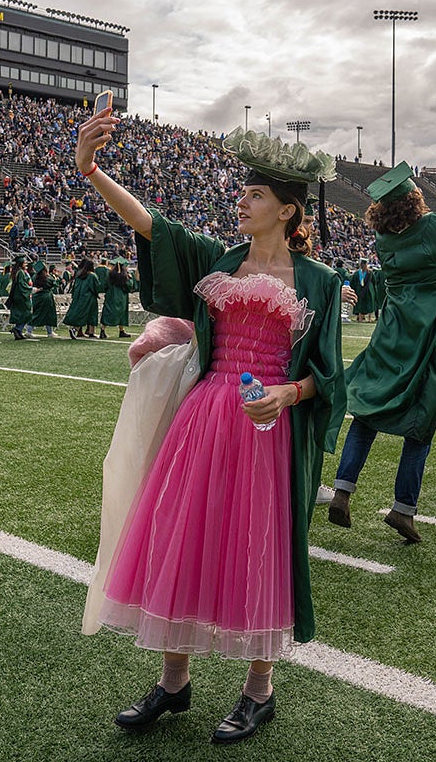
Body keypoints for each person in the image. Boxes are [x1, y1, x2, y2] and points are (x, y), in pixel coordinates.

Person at [76, 115, 346, 744]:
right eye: (243, 193)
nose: (240, 201)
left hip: (268, 427)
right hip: (204, 417)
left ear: (287, 211)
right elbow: (151, 224)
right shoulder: (217, 260)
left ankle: (259, 693)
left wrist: (290, 391)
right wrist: (91, 170)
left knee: (261, 545)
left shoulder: (320, 283)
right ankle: (174, 684)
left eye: (254, 196)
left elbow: (332, 377)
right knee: (184, 533)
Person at [328, 161, 436, 542]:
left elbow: (426, 232)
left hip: (391, 334)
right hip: (430, 337)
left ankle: (343, 490)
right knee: (420, 423)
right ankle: (403, 510)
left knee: (368, 413)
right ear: (414, 202)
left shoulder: (386, 240)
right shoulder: (434, 231)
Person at [63, 258, 100, 339]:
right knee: (92, 314)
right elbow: (97, 287)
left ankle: (77, 330)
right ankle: (87, 332)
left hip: (79, 296)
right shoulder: (92, 275)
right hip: (90, 298)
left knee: (81, 313)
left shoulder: (79, 274)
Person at [99, 257, 136, 339]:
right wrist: (130, 279)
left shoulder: (110, 275)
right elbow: (130, 287)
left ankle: (102, 330)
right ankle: (121, 331)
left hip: (110, 297)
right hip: (121, 298)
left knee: (107, 313)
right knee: (121, 314)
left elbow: (105, 286)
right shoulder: (125, 276)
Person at [6, 255, 33, 340]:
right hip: (21, 296)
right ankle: (17, 329)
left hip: (17, 296)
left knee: (21, 314)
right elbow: (22, 285)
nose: (26, 263)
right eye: (24, 262)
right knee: (26, 314)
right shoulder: (21, 272)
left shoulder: (16, 272)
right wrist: (31, 289)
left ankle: (19, 332)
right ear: (21, 264)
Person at [31, 260, 59, 338]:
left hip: (36, 297)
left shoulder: (34, 277)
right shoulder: (47, 278)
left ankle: (30, 330)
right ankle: (49, 332)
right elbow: (55, 284)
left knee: (37, 313)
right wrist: (56, 278)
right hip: (46, 297)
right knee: (48, 314)